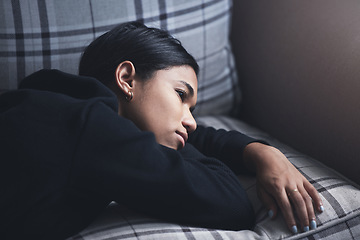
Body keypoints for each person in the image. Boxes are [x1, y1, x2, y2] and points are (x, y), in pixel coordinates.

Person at [0, 21, 323, 239]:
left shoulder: (59, 107)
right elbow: (229, 203)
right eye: (180, 95)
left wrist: (261, 151)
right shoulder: (93, 129)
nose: (192, 121)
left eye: (192, 110)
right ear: (126, 78)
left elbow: (194, 136)